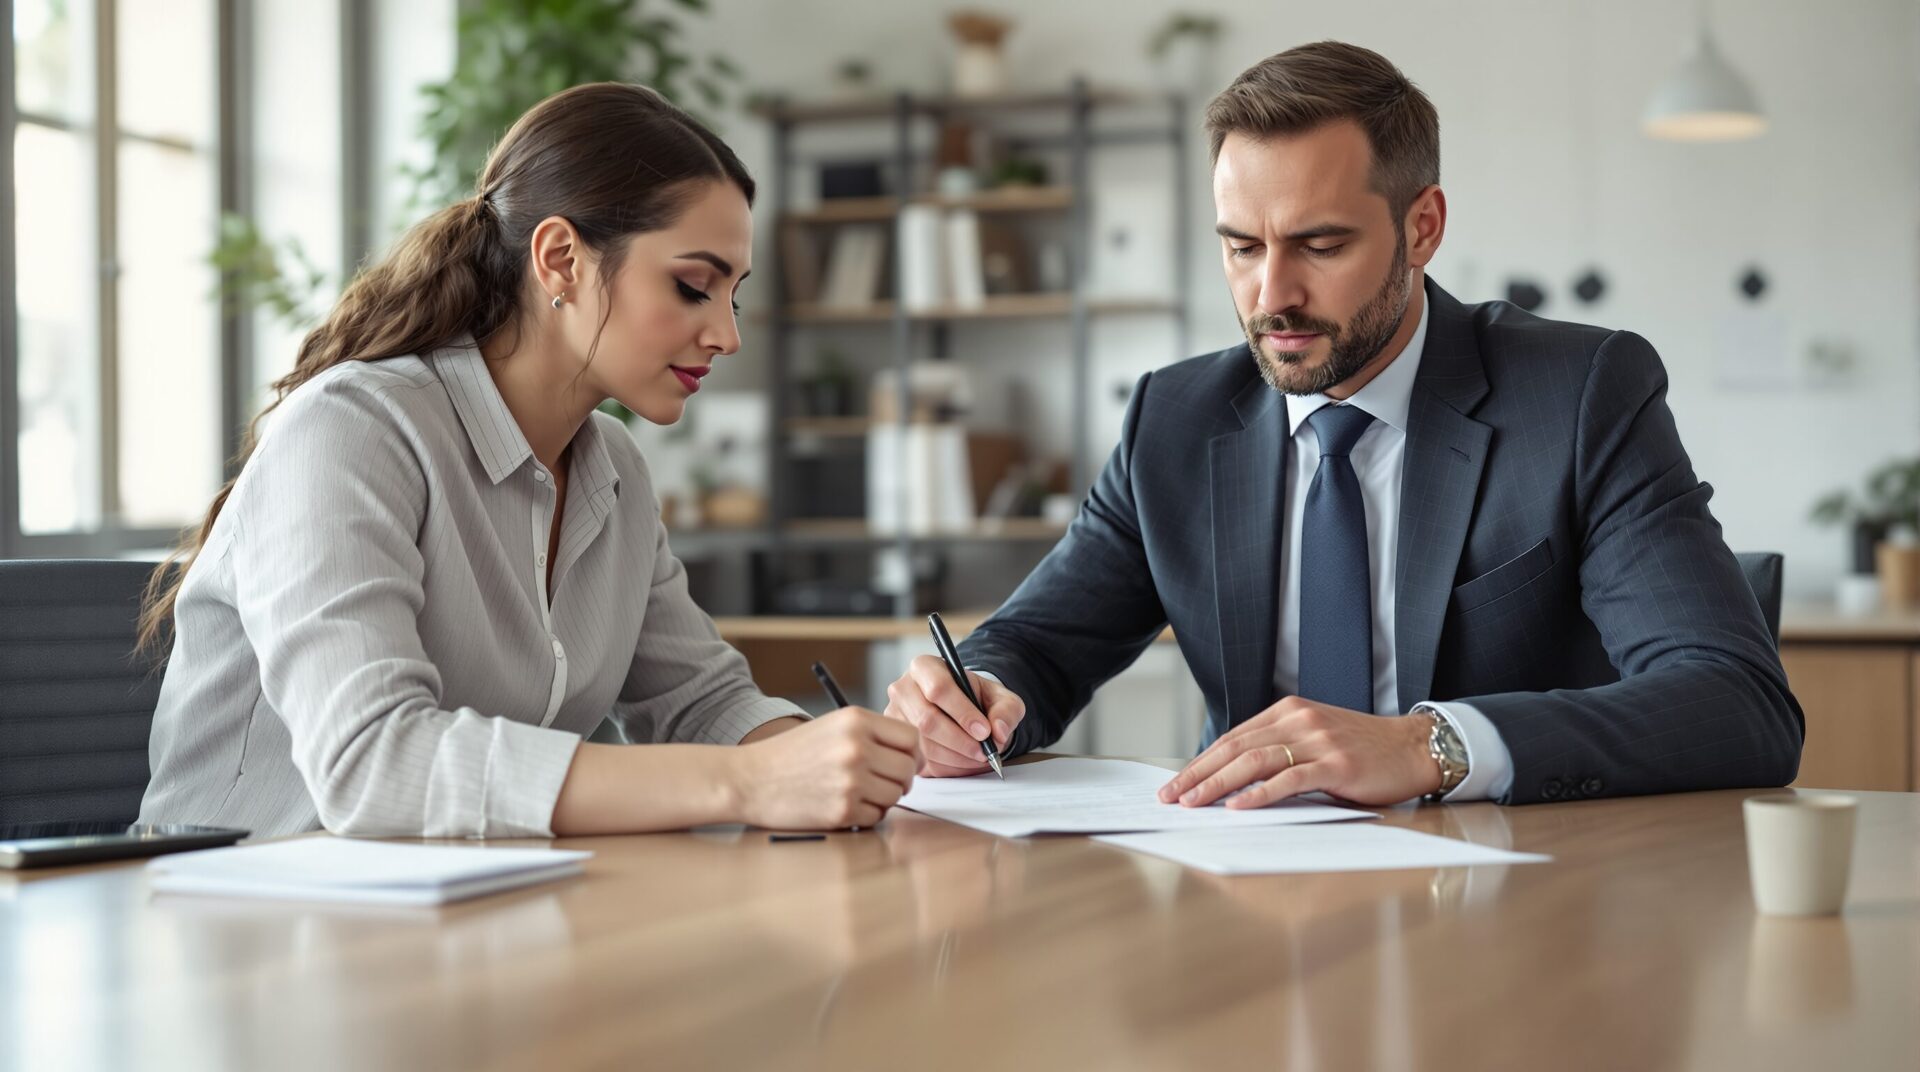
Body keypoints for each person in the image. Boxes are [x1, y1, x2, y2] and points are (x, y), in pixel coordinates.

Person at [883, 41, 1802, 808]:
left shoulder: (1578, 395)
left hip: (1518, 900)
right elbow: (1039, 642)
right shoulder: (1175, 418)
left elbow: (1738, 703)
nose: (1272, 296)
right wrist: (977, 697)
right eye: (1242, 247)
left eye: (1321, 245)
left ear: (1423, 227)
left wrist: (1434, 744)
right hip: (1250, 907)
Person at [137, 83, 919, 839]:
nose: (726, 334)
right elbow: (373, 760)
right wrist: (750, 782)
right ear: (560, 260)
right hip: (250, 923)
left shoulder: (615, 468)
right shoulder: (353, 430)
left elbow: (702, 701)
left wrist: (849, 761)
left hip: (471, 917)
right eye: (692, 287)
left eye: (733, 296)